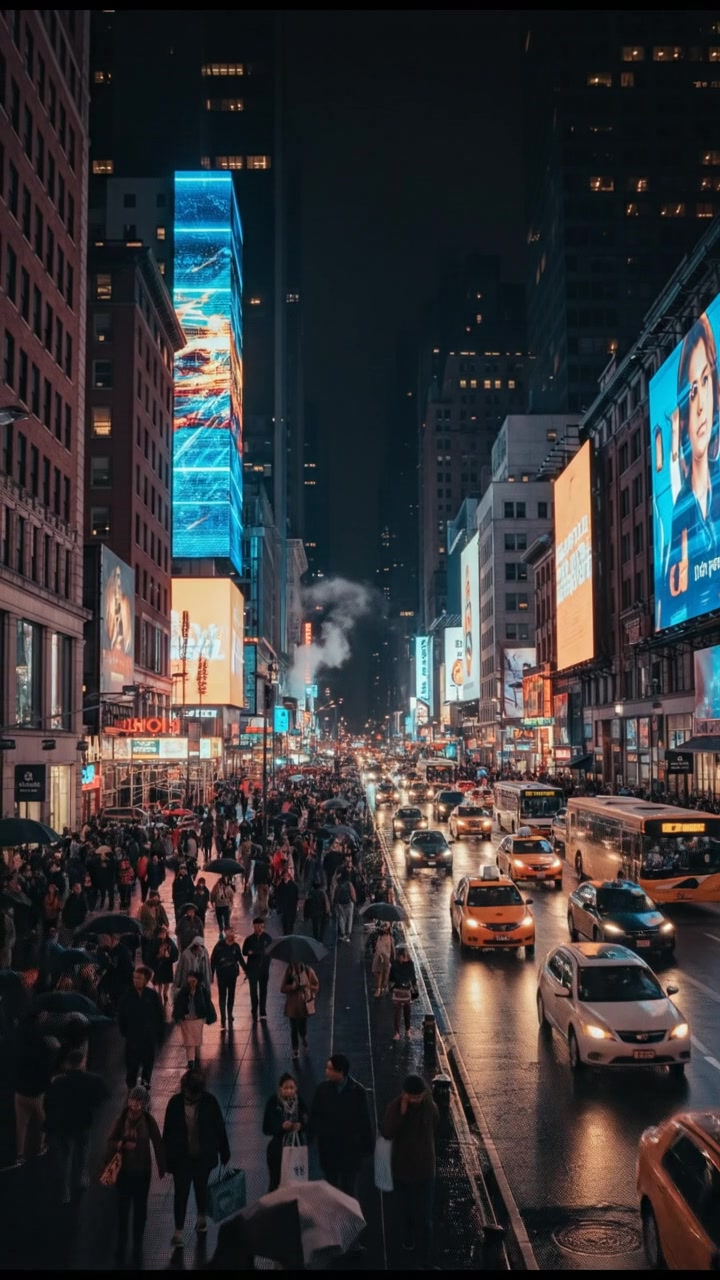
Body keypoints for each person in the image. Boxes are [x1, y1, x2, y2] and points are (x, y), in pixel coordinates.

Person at [666, 311, 720, 623]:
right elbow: (672, 609)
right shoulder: (679, 513)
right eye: (692, 390)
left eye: (705, 380)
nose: (700, 405)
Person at [163, 1069, 230, 1249]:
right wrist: (224, 1155)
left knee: (197, 1189)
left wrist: (225, 1154)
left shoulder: (179, 1103)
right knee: (183, 1193)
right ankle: (182, 1228)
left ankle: (195, 1221)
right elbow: (219, 1129)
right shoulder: (206, 1102)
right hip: (185, 1158)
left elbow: (219, 1129)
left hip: (197, 1157)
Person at [380, 1074, 439, 1263]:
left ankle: (424, 1257)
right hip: (402, 1170)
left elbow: (437, 1122)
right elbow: (387, 1132)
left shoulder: (429, 1106)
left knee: (424, 1217)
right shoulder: (395, 1107)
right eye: (412, 1097)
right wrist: (402, 1114)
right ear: (405, 1094)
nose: (416, 1100)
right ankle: (408, 1240)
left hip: (424, 1170)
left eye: (419, 1096)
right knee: (405, 1211)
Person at [106, 1084, 165, 1266]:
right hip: (124, 1172)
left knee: (139, 1209)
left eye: (139, 1101)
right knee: (123, 1210)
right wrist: (122, 1145)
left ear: (144, 1103)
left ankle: (136, 1243)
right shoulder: (121, 1119)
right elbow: (110, 1141)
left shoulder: (148, 1121)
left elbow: (158, 1143)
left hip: (142, 1172)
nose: (135, 1104)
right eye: (133, 1100)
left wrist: (163, 1165)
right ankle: (123, 1243)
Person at [43, 1046, 109, 1204]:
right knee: (83, 1147)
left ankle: (65, 1191)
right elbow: (103, 1095)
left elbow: (48, 1102)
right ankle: (82, 1176)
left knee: (65, 1156)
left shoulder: (59, 1082)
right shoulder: (92, 1080)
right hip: (83, 1121)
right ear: (82, 1061)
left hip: (63, 1124)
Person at [307, 1052, 373, 1198]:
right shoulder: (322, 1089)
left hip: (349, 1150)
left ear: (341, 1072)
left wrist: (367, 1146)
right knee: (332, 1187)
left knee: (348, 1188)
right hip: (330, 1150)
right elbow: (315, 1116)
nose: (326, 1071)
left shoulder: (358, 1092)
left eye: (330, 1069)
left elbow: (364, 1120)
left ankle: (347, 1218)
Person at [118, 966, 165, 1091]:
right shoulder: (127, 995)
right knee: (131, 1064)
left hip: (148, 1037)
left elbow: (159, 1015)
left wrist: (159, 1034)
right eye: (134, 978)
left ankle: (145, 1086)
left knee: (148, 1064)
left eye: (139, 978)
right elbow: (121, 1015)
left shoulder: (152, 996)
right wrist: (124, 1031)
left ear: (145, 980)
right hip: (132, 1037)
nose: (136, 980)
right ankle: (131, 1086)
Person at [262, 1073, 310, 1191]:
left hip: (296, 1148)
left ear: (296, 1088)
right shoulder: (273, 1102)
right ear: (280, 1088)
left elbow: (307, 1120)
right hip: (278, 1149)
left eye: (292, 1088)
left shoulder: (300, 1102)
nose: (289, 1091)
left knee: (296, 1181)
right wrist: (281, 1126)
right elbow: (266, 1128)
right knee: (276, 1180)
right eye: (286, 1088)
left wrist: (301, 1126)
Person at [173, 971, 214, 1070]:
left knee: (196, 1040)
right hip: (187, 1019)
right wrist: (178, 1016)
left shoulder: (201, 991)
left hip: (197, 1019)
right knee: (189, 1041)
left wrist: (209, 1016)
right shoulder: (184, 991)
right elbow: (178, 1004)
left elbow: (207, 1004)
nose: (191, 981)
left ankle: (194, 1057)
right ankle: (191, 1060)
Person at [280, 961, 319, 1060]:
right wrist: (291, 987)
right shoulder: (289, 972)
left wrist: (307, 988)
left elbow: (316, 985)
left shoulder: (307, 970)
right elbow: (282, 988)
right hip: (292, 1006)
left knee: (302, 1026)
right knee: (293, 1028)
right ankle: (295, 1049)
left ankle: (304, 1038)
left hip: (303, 1005)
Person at [211, 927, 246, 1029]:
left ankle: (229, 1014)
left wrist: (246, 970)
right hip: (222, 975)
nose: (232, 935)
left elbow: (240, 959)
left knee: (231, 995)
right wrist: (211, 974)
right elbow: (213, 960)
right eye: (229, 933)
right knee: (222, 996)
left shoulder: (236, 946)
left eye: (232, 933)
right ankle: (223, 1017)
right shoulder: (219, 946)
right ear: (226, 934)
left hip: (232, 975)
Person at [242, 917, 273, 1022]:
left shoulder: (268, 938)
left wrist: (257, 953)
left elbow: (271, 951)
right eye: (256, 926)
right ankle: (254, 1009)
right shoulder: (249, 939)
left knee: (263, 990)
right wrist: (250, 952)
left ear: (263, 926)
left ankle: (262, 1010)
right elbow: (244, 951)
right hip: (252, 969)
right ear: (253, 927)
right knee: (253, 991)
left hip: (264, 969)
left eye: (260, 926)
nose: (259, 928)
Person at [389, 945, 416, 1041]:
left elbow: (413, 978)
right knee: (397, 1013)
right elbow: (391, 977)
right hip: (398, 990)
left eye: (405, 956)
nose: (403, 958)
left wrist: (414, 991)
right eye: (402, 956)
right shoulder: (395, 964)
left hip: (405, 990)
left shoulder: (409, 964)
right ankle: (397, 1032)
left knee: (407, 1011)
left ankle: (407, 1030)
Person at [149, 923, 178, 1005]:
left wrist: (170, 957)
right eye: (161, 933)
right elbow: (152, 953)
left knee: (167, 981)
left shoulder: (170, 942)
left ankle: (165, 993)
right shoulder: (155, 942)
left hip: (167, 964)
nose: (162, 935)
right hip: (160, 964)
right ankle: (159, 993)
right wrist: (157, 956)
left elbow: (175, 952)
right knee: (160, 980)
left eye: (164, 933)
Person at [139, 890, 169, 965]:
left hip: (156, 933)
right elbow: (141, 921)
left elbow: (165, 920)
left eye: (157, 899)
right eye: (154, 899)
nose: (156, 901)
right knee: (146, 951)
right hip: (147, 933)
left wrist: (164, 926)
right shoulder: (144, 909)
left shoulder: (159, 907)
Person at [372, 923, 395, 998]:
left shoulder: (388, 938)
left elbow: (391, 948)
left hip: (383, 958)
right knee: (379, 973)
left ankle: (380, 989)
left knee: (380, 973)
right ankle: (382, 988)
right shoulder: (380, 937)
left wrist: (392, 958)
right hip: (380, 957)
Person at [333, 869, 356, 943]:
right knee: (350, 918)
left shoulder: (339, 884)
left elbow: (335, 892)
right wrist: (354, 900)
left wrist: (335, 901)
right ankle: (348, 934)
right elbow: (352, 893)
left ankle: (342, 933)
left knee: (341, 918)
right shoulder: (349, 883)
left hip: (340, 903)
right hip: (349, 902)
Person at [274, 869, 299, 936]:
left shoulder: (293, 886)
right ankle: (287, 936)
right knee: (285, 925)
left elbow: (296, 898)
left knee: (290, 924)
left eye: (286, 875)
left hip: (291, 908)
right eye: (284, 875)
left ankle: (289, 935)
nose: (285, 877)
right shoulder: (280, 886)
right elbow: (277, 897)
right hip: (284, 908)